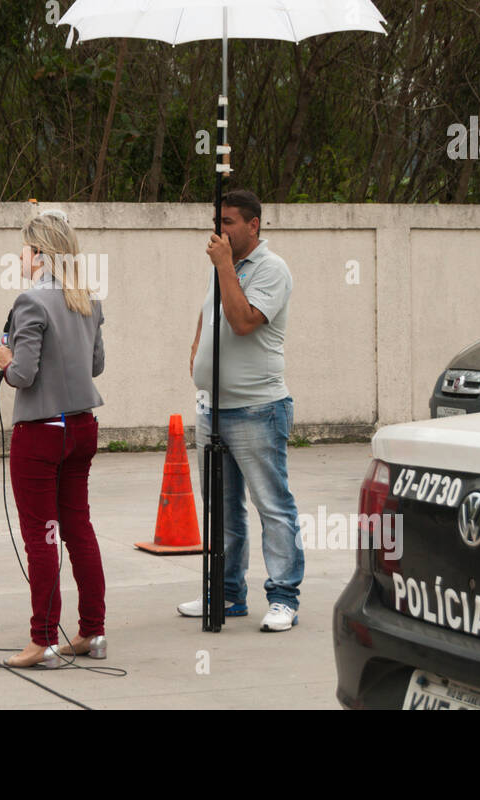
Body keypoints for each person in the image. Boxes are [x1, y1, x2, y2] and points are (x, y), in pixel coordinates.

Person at [179, 189, 304, 632]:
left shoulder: (271, 269)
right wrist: (197, 352)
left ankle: (284, 596)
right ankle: (227, 594)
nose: (221, 229)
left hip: (257, 409)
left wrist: (224, 266)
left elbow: (242, 321)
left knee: (272, 505)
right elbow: (210, 315)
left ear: (254, 225)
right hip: (214, 408)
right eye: (219, 220)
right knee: (222, 509)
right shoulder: (224, 269)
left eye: (229, 221)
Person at [0, 211, 106, 668]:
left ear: (38, 254)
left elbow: (22, 374)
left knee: (41, 536)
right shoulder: (88, 301)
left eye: (24, 249)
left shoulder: (30, 302)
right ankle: (92, 632)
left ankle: (42, 639)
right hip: (81, 427)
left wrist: (5, 359)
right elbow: (95, 367)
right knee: (77, 528)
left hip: (41, 432)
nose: (20, 257)